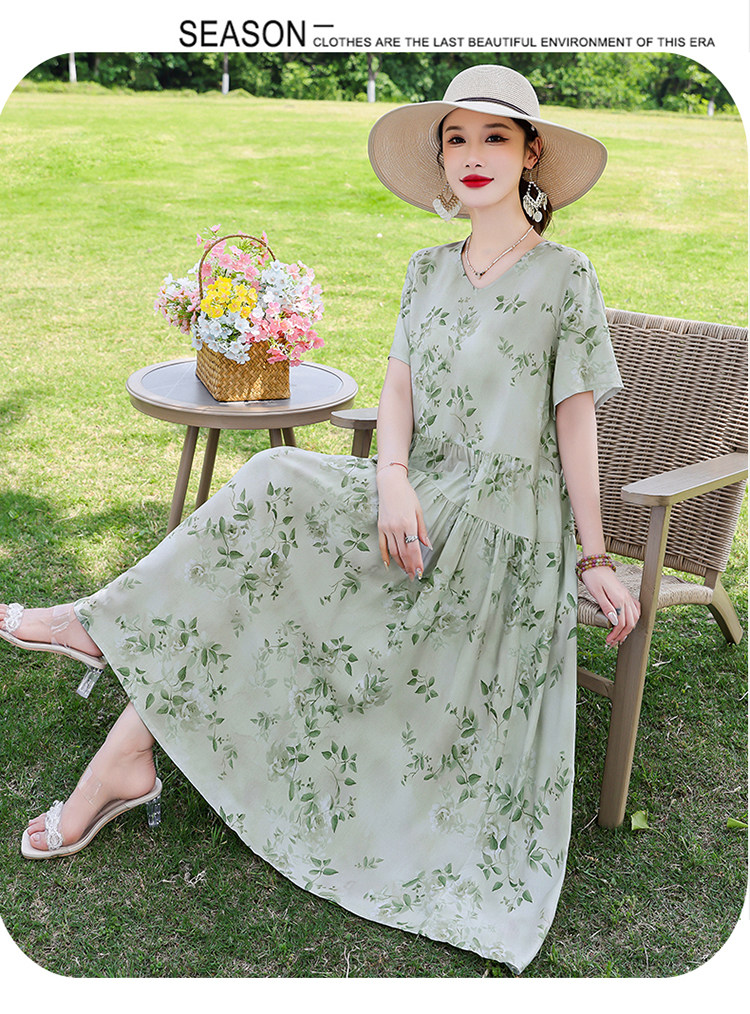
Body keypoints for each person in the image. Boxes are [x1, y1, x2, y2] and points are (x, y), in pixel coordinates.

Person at [0, 65, 639, 973]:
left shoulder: (566, 277)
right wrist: (392, 479)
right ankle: (119, 740)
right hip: (413, 502)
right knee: (273, 510)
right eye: (456, 139)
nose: (473, 155)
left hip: (500, 535)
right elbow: (398, 390)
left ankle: (103, 649)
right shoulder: (426, 269)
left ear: (531, 153)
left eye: (495, 137)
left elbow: (576, 423)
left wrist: (596, 557)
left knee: (274, 498)